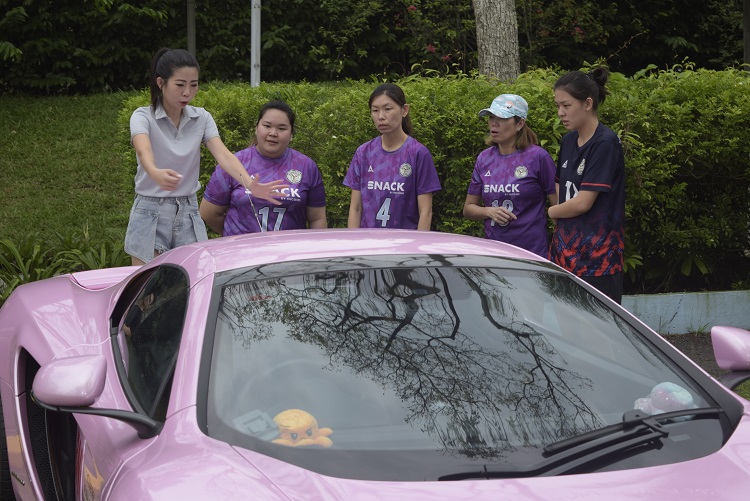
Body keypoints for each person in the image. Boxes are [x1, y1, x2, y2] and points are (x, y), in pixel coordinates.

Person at [125, 47, 287, 265]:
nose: (187, 93)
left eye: (194, 85)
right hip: (150, 209)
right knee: (147, 291)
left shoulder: (201, 118)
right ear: (161, 83)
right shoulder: (142, 116)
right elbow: (142, 148)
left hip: (188, 210)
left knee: (192, 285)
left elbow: (223, 154)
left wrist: (249, 182)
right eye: (180, 85)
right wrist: (153, 171)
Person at [548, 68, 626, 303]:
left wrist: (552, 212)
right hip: (563, 256)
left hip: (598, 260)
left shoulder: (605, 143)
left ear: (588, 103)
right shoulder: (569, 139)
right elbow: (560, 185)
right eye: (557, 106)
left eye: (566, 105)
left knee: (597, 335)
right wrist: (560, 215)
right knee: (565, 330)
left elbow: (583, 202)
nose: (561, 113)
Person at [200, 100, 327, 234]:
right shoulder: (233, 163)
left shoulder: (306, 166)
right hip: (242, 252)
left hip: (290, 252)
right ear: (256, 128)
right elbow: (208, 213)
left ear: (291, 135)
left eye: (282, 128)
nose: (273, 133)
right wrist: (234, 236)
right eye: (267, 126)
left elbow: (317, 218)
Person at [463, 94, 557, 257]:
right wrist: (488, 212)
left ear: (520, 123)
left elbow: (557, 207)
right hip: (495, 254)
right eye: (491, 117)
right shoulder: (484, 158)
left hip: (531, 254)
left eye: (502, 118)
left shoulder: (538, 157)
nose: (494, 123)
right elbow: (468, 209)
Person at [344, 83, 441, 230]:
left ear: (404, 110)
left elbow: (425, 212)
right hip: (368, 245)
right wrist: (353, 246)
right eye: (375, 110)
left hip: (403, 247)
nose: (381, 116)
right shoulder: (363, 152)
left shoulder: (418, 153)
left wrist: (418, 249)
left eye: (388, 109)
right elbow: (355, 208)